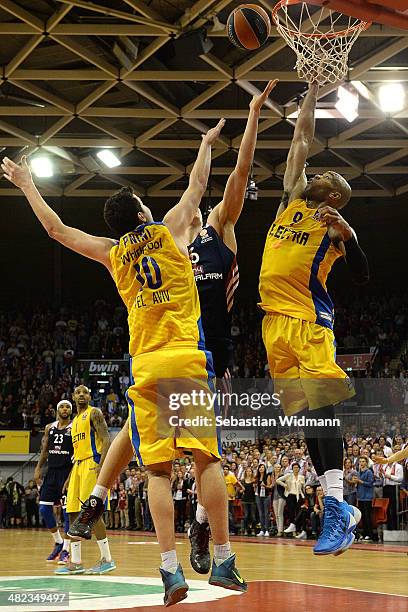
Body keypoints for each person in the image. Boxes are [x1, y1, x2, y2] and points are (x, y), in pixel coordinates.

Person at [2, 120, 248, 604]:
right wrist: (205, 145)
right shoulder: (170, 229)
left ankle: (169, 570)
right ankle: (221, 557)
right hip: (185, 359)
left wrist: (26, 183)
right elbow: (199, 185)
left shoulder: (114, 254)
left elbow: (56, 230)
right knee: (205, 459)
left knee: (156, 473)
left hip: (146, 364)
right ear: (141, 210)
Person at [258, 81, 369, 556]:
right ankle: (336, 505)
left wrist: (353, 236)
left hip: (308, 323)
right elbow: (301, 139)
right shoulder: (289, 202)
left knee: (325, 411)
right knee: (306, 419)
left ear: (337, 197)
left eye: (333, 180)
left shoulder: (332, 226)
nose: (322, 175)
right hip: (273, 327)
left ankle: (338, 506)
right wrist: (310, 91)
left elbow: (362, 275)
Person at [56, 385, 114, 575]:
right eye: (78, 392)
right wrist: (70, 476)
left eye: (85, 392)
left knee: (92, 512)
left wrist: (102, 465)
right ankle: (76, 562)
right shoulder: (73, 422)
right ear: (73, 397)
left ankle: (107, 559)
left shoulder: (94, 413)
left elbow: (107, 439)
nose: (82, 395)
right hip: (78, 467)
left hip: (92, 464)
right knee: (72, 513)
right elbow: (77, 453)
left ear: (90, 396)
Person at [34, 400, 73, 563]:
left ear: (71, 410)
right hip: (51, 473)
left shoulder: (75, 427)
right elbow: (44, 451)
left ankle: (66, 550)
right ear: (57, 410)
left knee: (66, 514)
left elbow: (77, 456)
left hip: (66, 473)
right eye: (62, 407)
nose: (65, 409)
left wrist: (71, 477)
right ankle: (58, 541)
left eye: (67, 407)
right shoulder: (50, 427)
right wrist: (38, 469)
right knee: (44, 509)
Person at [277, 463, 306, 535]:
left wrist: (304, 496)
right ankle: (293, 530)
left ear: (299, 469)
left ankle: (297, 529)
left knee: (298, 513)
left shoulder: (302, 477)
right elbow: (278, 480)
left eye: (297, 467)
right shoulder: (288, 475)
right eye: (294, 467)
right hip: (290, 496)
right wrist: (285, 485)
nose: (296, 469)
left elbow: (303, 488)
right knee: (291, 513)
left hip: (299, 496)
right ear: (292, 469)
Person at [355, 457, 374, 541]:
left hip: (367, 497)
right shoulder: (359, 472)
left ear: (366, 463)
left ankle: (370, 535)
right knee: (363, 517)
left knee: (367, 516)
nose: (361, 463)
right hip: (361, 497)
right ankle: (365, 533)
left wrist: (360, 481)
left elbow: (370, 483)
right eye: (360, 461)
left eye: (363, 461)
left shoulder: (369, 472)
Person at [254, 464, 272, 537]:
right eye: (260, 467)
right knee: (260, 513)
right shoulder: (257, 477)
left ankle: (267, 530)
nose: (261, 469)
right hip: (258, 495)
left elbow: (270, 486)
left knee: (266, 513)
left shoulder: (267, 476)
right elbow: (254, 486)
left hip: (266, 496)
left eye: (262, 467)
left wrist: (265, 486)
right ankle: (262, 530)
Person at [241, 467, 256, 536]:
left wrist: (255, 487)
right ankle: (246, 529)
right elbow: (240, 491)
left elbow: (256, 491)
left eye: (250, 471)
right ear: (245, 472)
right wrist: (242, 490)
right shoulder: (243, 481)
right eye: (247, 471)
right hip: (245, 500)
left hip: (252, 500)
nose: (248, 472)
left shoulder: (254, 480)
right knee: (246, 516)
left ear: (252, 472)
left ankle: (253, 529)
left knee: (253, 516)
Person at [271, 464, 286, 537]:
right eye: (276, 467)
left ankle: (280, 530)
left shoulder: (283, 476)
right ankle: (278, 529)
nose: (277, 468)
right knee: (276, 514)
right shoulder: (272, 476)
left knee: (280, 513)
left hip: (281, 496)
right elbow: (271, 486)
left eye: (279, 467)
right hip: (274, 496)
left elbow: (285, 486)